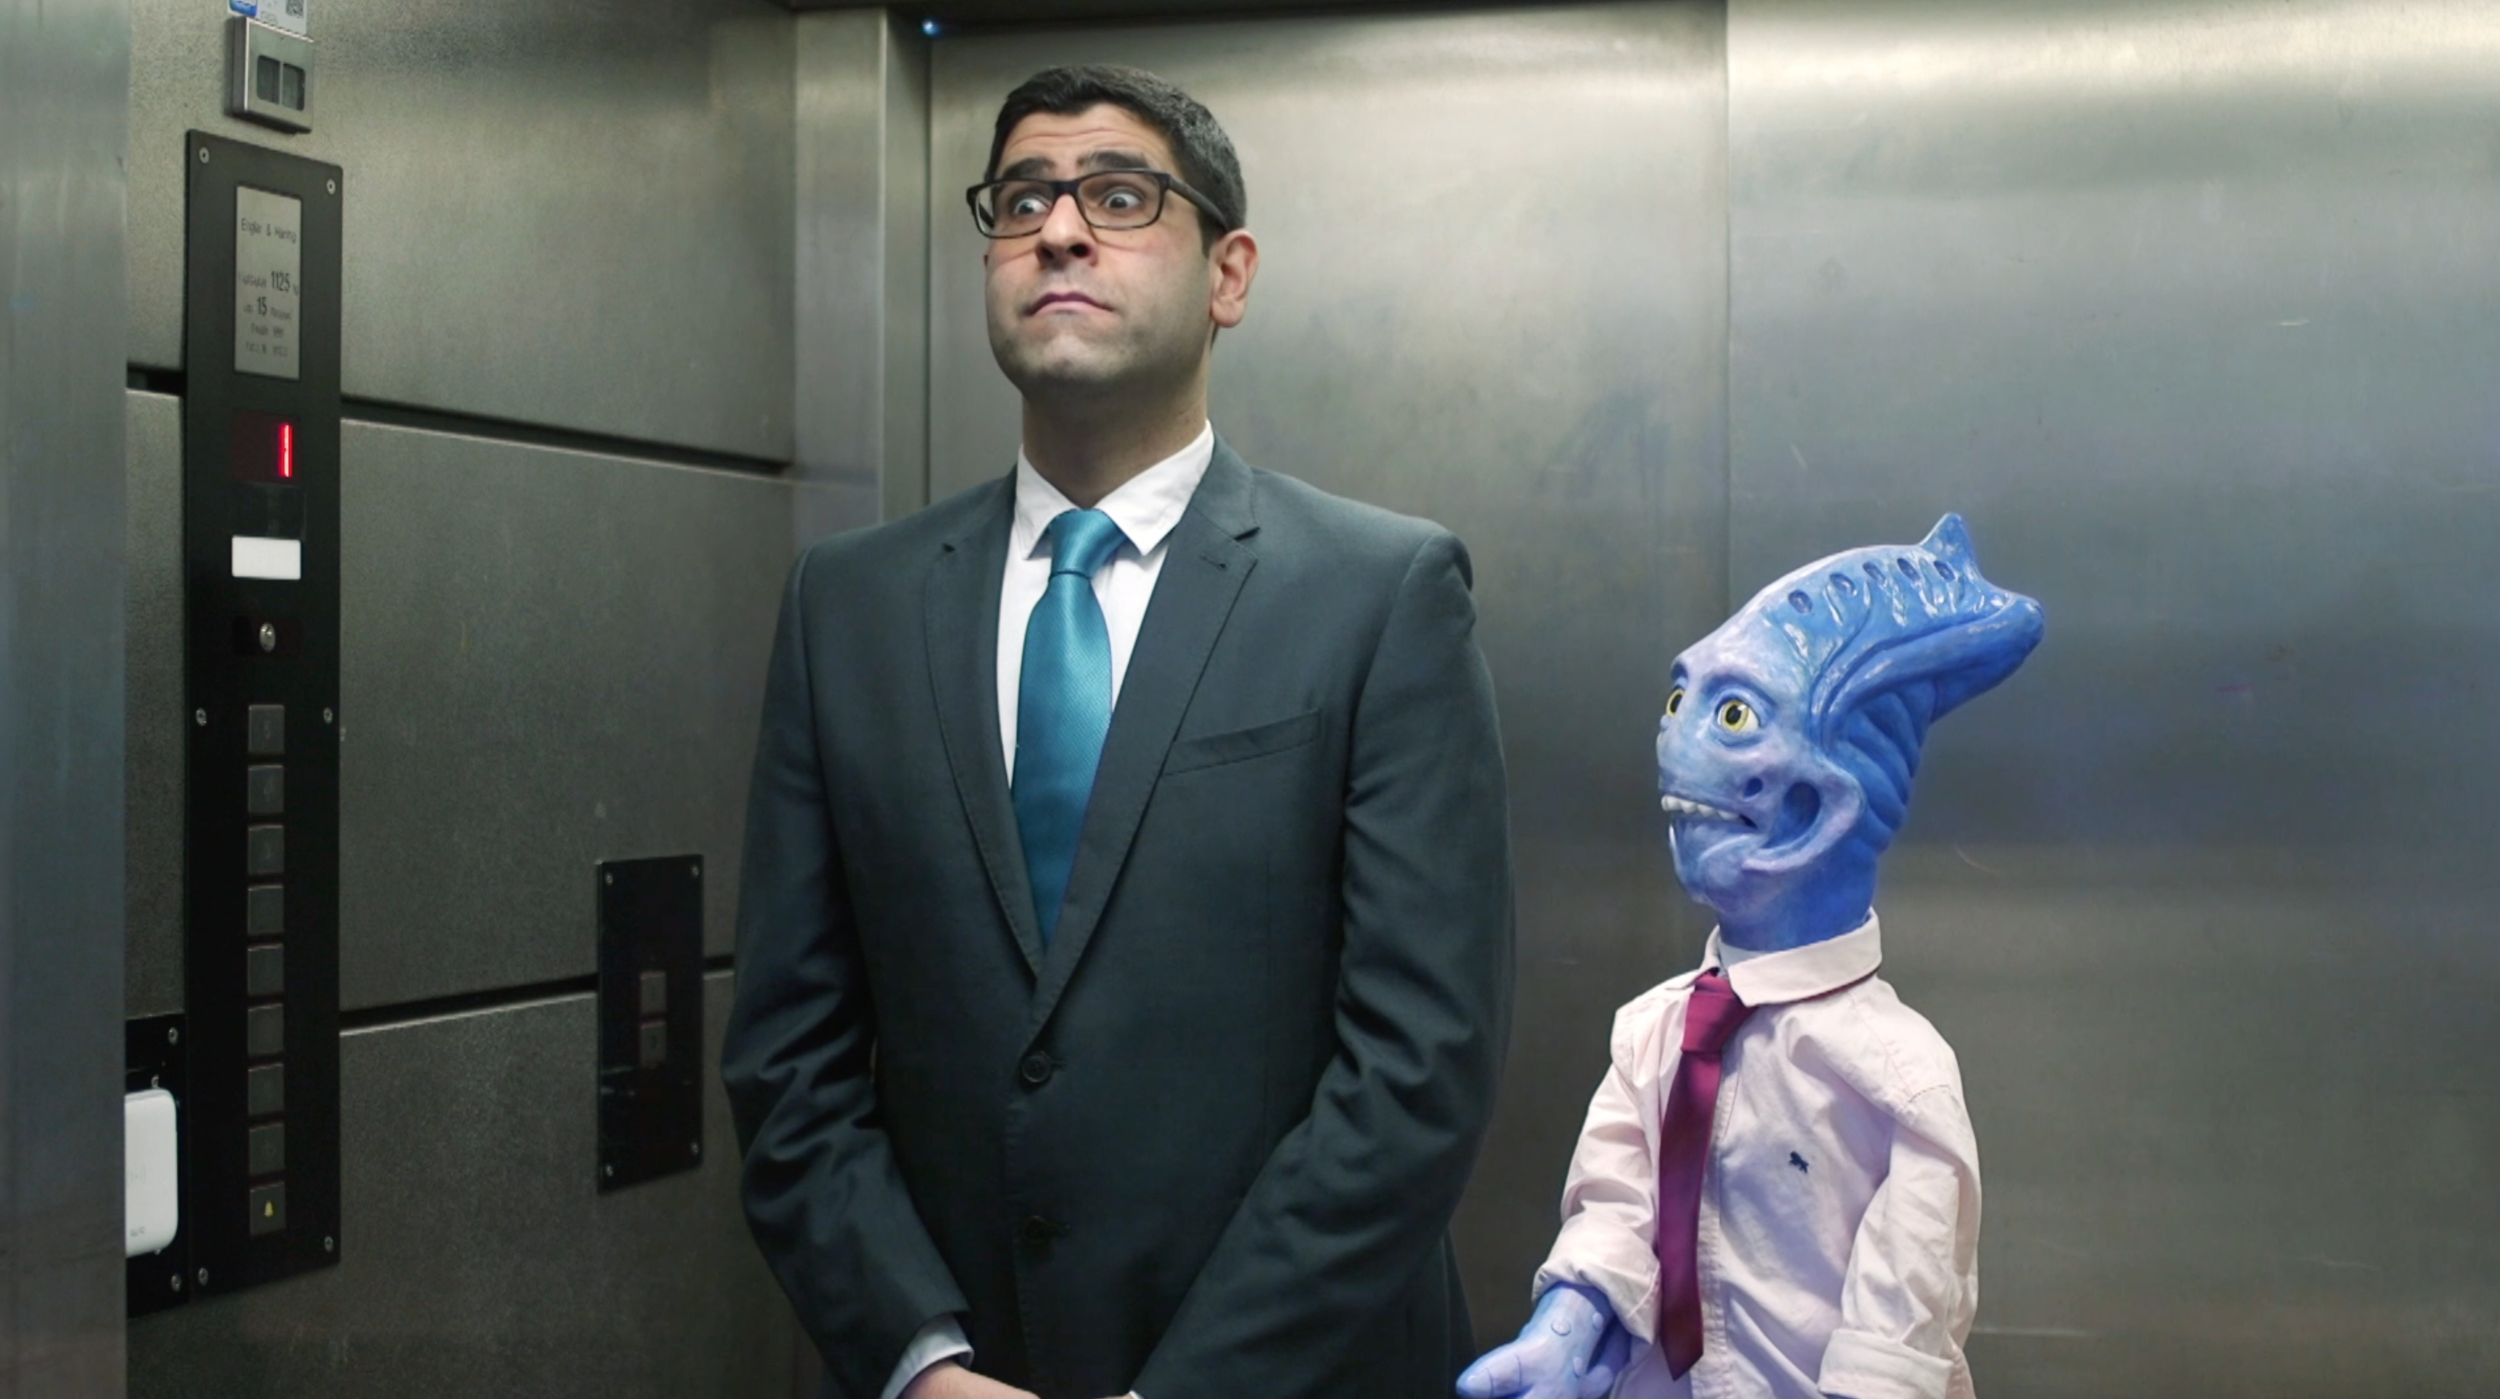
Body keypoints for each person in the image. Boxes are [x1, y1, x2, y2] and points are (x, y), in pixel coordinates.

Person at [721, 64, 1514, 1399]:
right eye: (1022, 198)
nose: (1060, 230)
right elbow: (788, 1055)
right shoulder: (847, 606)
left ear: (1228, 274)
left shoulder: (1380, 595)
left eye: (1121, 195)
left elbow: (1418, 1069)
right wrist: (920, 1361)